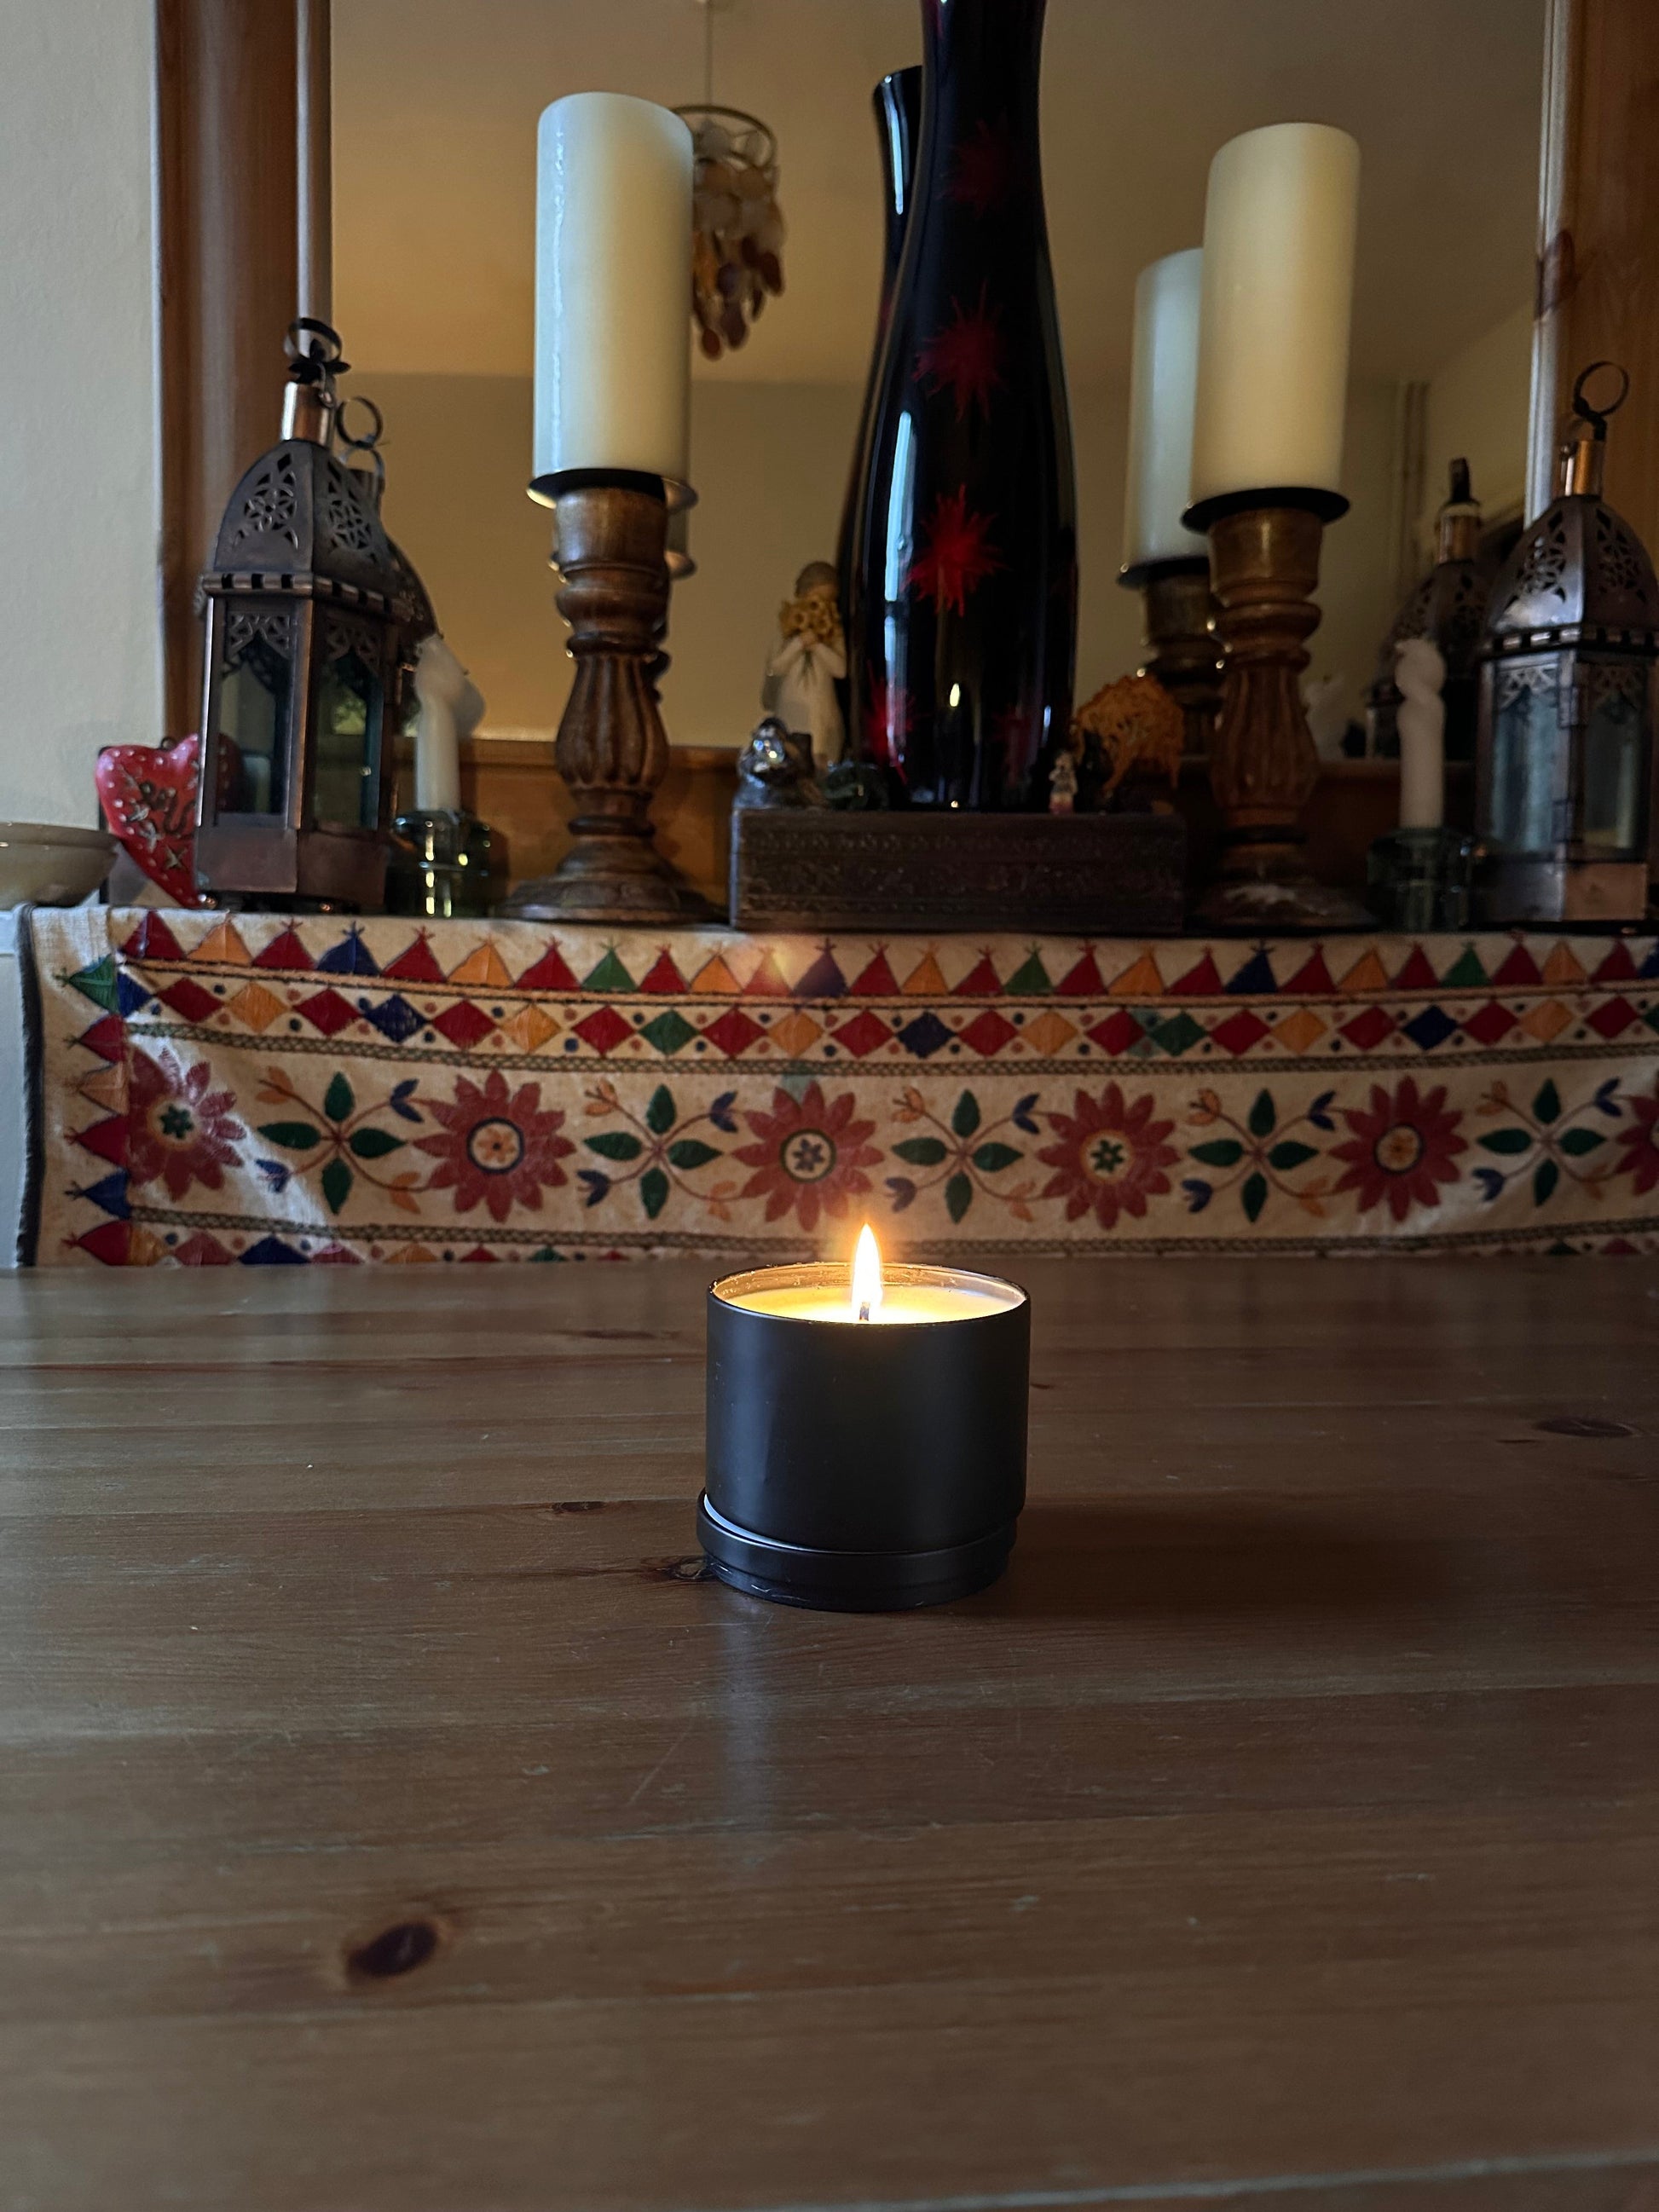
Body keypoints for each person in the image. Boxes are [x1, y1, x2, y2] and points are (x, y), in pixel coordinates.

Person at [762, 561, 846, 774]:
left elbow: (840, 669)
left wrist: (817, 645)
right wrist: (799, 644)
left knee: (820, 750)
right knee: (791, 753)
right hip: (792, 706)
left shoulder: (832, 633)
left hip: (821, 707)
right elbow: (776, 666)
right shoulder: (787, 628)